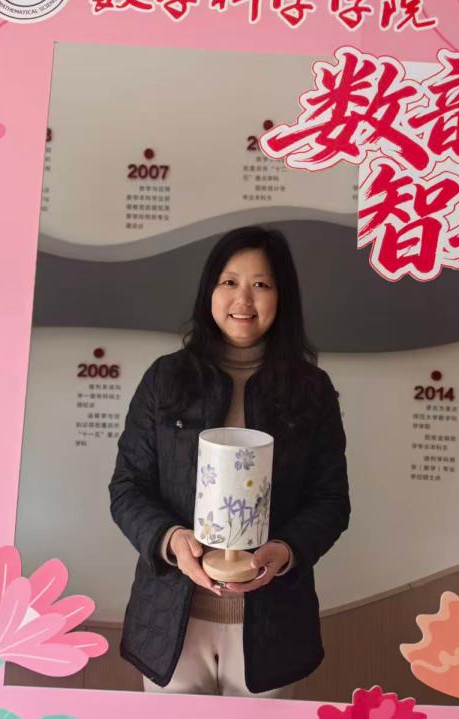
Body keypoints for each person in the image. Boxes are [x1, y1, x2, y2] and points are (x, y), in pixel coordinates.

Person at [109, 225, 350, 698]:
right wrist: (171, 540)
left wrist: (285, 551)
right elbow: (128, 487)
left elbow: (330, 500)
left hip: (271, 628)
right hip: (172, 625)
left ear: (282, 297)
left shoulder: (311, 390)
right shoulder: (166, 378)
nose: (244, 298)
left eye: (261, 284)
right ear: (210, 292)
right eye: (229, 281)